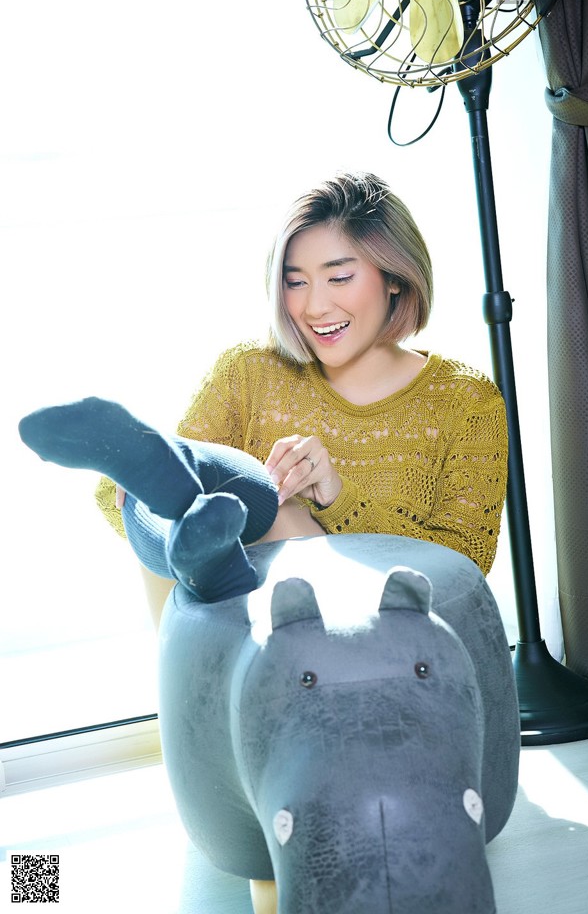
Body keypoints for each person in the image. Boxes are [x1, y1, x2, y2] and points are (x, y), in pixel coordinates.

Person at [19, 170, 509, 914]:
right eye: (294, 279)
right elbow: (108, 502)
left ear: (395, 276)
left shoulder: (467, 400)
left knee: (260, 509)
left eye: (338, 275)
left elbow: (463, 561)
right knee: (221, 496)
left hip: (374, 668)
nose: (314, 305)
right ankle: (207, 524)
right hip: (255, 667)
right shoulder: (251, 372)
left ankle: (218, 525)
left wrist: (335, 503)